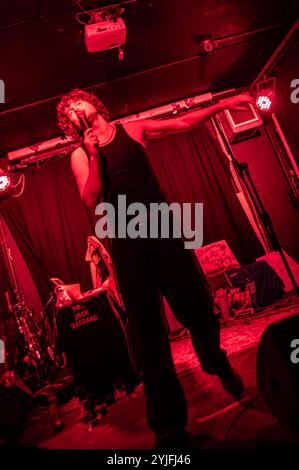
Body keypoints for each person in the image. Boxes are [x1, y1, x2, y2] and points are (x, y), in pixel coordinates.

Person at [57, 89, 251, 447]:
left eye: (76, 103)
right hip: (127, 242)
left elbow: (181, 122)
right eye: (68, 111)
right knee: (149, 336)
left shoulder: (132, 130)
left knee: (198, 307)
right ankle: (168, 425)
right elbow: (90, 198)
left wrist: (221, 105)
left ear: (94, 105)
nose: (74, 110)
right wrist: (95, 155)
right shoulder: (80, 154)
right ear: (69, 124)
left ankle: (213, 359)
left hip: (162, 229)